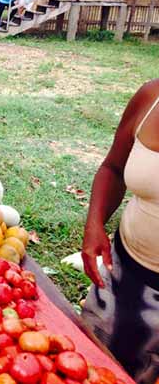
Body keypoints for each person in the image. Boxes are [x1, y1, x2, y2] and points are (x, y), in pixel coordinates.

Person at [81, 78, 159, 383]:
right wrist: (94, 223)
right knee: (87, 366)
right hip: (119, 277)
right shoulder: (151, 96)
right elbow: (113, 168)